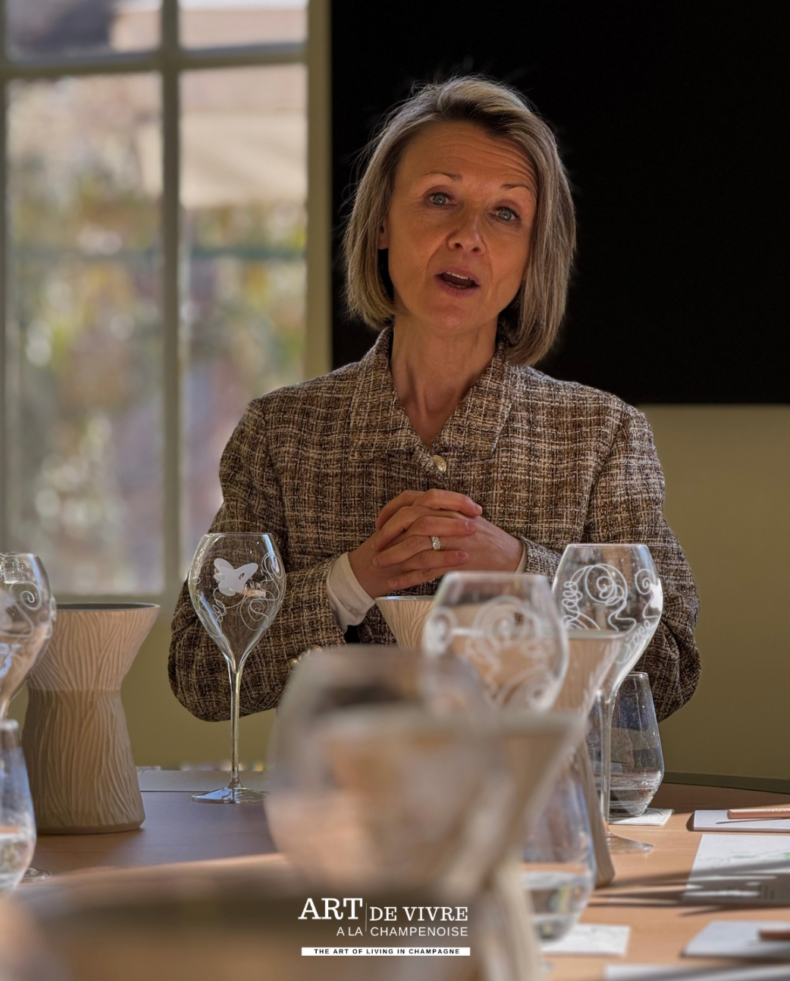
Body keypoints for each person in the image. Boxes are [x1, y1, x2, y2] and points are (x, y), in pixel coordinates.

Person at [169, 77, 700, 723]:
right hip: (344, 788)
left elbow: (668, 669)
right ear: (381, 225)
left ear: (532, 254)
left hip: (536, 788)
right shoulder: (280, 433)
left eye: (505, 213)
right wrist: (352, 580)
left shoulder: (603, 435)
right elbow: (199, 671)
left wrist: (522, 572)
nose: (468, 235)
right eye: (439, 198)